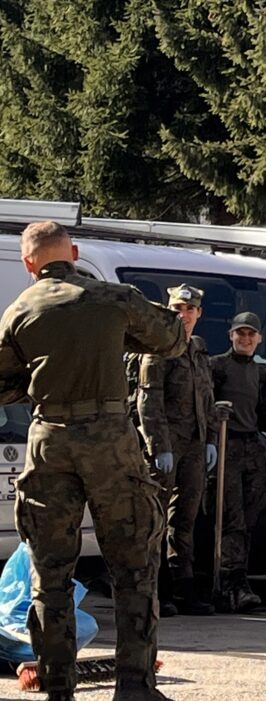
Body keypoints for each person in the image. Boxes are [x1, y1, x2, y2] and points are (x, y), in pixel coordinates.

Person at [0, 221, 186, 701]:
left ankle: (58, 689)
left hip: (49, 441)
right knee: (133, 565)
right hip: (110, 440)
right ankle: (133, 687)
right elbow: (171, 338)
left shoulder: (18, 310)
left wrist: (44, 379)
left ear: (28, 265)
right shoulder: (113, 297)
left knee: (50, 573)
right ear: (75, 253)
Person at [134, 284, 218, 618]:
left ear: (198, 314)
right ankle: (158, 589)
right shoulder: (158, 347)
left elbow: (207, 400)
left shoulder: (197, 349)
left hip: (194, 446)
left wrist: (210, 437)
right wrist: (158, 445)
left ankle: (184, 588)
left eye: (190, 309)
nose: (183, 315)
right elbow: (148, 399)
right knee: (156, 519)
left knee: (185, 519)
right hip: (167, 444)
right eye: (178, 309)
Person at [210, 312, 266, 612]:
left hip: (252, 447)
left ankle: (239, 574)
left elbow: (264, 417)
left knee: (251, 514)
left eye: (251, 335)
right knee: (230, 515)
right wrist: (213, 421)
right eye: (240, 333)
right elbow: (201, 406)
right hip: (226, 444)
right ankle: (232, 582)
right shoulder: (216, 367)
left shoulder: (261, 374)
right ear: (230, 335)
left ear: (259, 339)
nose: (245, 339)